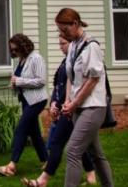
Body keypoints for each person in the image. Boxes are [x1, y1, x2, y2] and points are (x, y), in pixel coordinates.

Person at [21, 35, 96, 186]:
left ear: (72, 44)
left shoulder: (77, 62)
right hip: (64, 108)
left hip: (73, 108)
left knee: (57, 142)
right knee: (77, 144)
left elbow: (79, 86)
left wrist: (65, 104)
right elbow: (57, 85)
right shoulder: (65, 63)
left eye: (63, 43)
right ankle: (91, 176)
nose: (60, 46)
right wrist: (54, 102)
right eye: (59, 43)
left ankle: (43, 180)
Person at [57, 8, 114, 187]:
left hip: (93, 106)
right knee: (96, 153)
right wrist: (67, 101)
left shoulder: (91, 46)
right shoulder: (73, 46)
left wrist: (74, 103)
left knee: (72, 150)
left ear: (75, 24)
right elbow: (70, 77)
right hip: (78, 106)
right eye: (59, 30)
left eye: (64, 30)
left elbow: (93, 80)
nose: (62, 34)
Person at [0, 33, 49, 178]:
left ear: (23, 46)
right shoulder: (21, 60)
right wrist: (14, 85)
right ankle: (47, 161)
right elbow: (21, 80)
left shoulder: (36, 58)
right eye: (11, 50)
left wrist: (19, 81)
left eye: (15, 49)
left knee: (21, 129)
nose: (13, 52)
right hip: (26, 99)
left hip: (37, 100)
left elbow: (41, 80)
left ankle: (11, 166)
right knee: (34, 132)